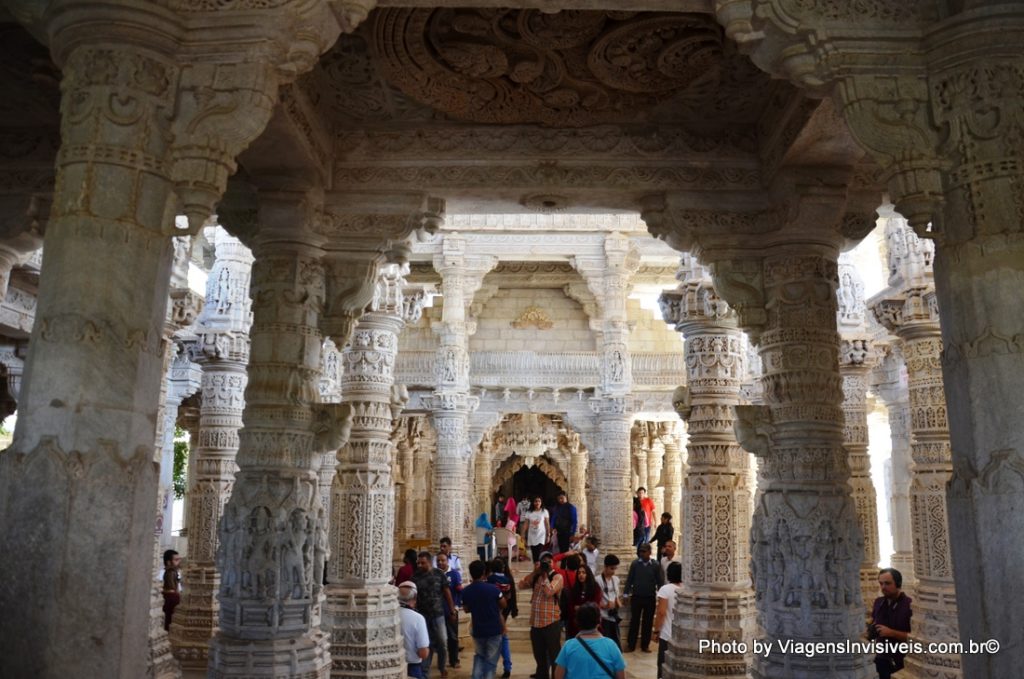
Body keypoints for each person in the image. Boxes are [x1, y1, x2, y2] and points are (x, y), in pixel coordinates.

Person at [518, 551, 564, 679]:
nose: (547, 564)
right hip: (536, 623)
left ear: (553, 563)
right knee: (539, 655)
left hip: (551, 622)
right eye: (544, 561)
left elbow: (549, 592)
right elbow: (521, 585)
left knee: (554, 655)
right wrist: (535, 573)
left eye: (549, 561)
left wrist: (544, 576)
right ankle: (541, 675)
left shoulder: (557, 577)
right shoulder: (536, 577)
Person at [412, 551, 457, 679]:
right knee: (426, 643)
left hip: (438, 614)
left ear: (430, 562)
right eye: (418, 563)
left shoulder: (439, 574)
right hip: (423, 616)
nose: (420, 565)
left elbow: (446, 591)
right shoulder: (415, 577)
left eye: (423, 563)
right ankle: (425, 672)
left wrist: (452, 610)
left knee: (443, 642)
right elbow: (413, 596)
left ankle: (442, 667)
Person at [553, 603, 627, 679]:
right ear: (599, 621)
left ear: (577, 622)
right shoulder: (611, 645)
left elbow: (558, 676)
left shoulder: (568, 646)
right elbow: (621, 676)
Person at [461, 560, 506, 679]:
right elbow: (503, 605)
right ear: (484, 573)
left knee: (480, 657)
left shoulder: (466, 591)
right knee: (490, 663)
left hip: (478, 629)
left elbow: (466, 609)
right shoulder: (494, 589)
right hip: (494, 630)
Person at [869, 568, 913, 679]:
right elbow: (873, 622)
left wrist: (891, 633)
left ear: (898, 584)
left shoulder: (909, 605)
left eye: (887, 583)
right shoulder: (878, 602)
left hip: (900, 661)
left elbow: (915, 639)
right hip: (880, 658)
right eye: (881, 583)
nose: (883, 587)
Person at [623, 543, 664, 653]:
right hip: (636, 597)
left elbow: (660, 582)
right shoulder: (635, 564)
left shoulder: (655, 565)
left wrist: (662, 597)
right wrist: (626, 594)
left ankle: (645, 645)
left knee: (648, 622)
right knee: (634, 621)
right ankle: (631, 644)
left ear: (649, 553)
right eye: (641, 551)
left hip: (650, 597)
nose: (642, 553)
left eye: (644, 551)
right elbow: (629, 579)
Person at [487, 558, 517, 679]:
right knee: (503, 640)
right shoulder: (508, 580)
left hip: (491, 613)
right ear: (503, 568)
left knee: (492, 643)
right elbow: (509, 596)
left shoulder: (489, 580)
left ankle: (491, 668)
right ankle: (507, 667)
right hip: (503, 611)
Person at [654, 562, 682, 679]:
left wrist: (656, 630)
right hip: (681, 636)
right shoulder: (686, 589)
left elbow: (661, 612)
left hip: (667, 634)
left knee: (663, 665)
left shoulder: (665, 589)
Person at [398, 581, 431, 678]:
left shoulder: (389, 615)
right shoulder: (417, 618)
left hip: (391, 666)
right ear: (415, 597)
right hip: (412, 667)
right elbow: (423, 653)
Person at [437, 552, 463, 671]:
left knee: (453, 636)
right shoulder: (435, 575)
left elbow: (459, 591)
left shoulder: (454, 574)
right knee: (440, 638)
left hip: (451, 611)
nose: (440, 563)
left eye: (443, 560)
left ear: (448, 561)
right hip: (437, 611)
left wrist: (456, 607)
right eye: (438, 561)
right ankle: (441, 663)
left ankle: (454, 660)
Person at [563, 563, 602, 639]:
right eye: (579, 573)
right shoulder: (575, 588)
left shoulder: (595, 587)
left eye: (583, 573)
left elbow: (595, 604)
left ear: (588, 574)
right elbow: (571, 605)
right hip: (576, 624)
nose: (581, 575)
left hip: (590, 622)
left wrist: (580, 608)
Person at [597, 555, 623, 647]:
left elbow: (616, 596)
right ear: (605, 567)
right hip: (603, 617)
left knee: (615, 644)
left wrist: (618, 602)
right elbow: (595, 600)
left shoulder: (616, 580)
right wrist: (605, 606)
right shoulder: (598, 580)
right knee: (604, 644)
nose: (613, 571)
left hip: (613, 616)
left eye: (615, 569)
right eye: (612, 568)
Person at [523, 496, 550, 564]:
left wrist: (548, 535)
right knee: (534, 555)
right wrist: (523, 535)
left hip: (541, 535)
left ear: (541, 502)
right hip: (531, 536)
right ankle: (536, 570)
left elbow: (547, 524)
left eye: (539, 501)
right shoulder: (529, 512)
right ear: (533, 502)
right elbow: (526, 524)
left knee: (538, 554)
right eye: (536, 501)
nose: (537, 503)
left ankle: (539, 570)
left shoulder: (544, 511)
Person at [160, 549, 182, 631]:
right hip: (171, 597)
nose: (179, 562)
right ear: (169, 562)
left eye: (179, 559)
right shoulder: (170, 572)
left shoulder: (173, 571)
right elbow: (172, 587)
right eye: (176, 560)